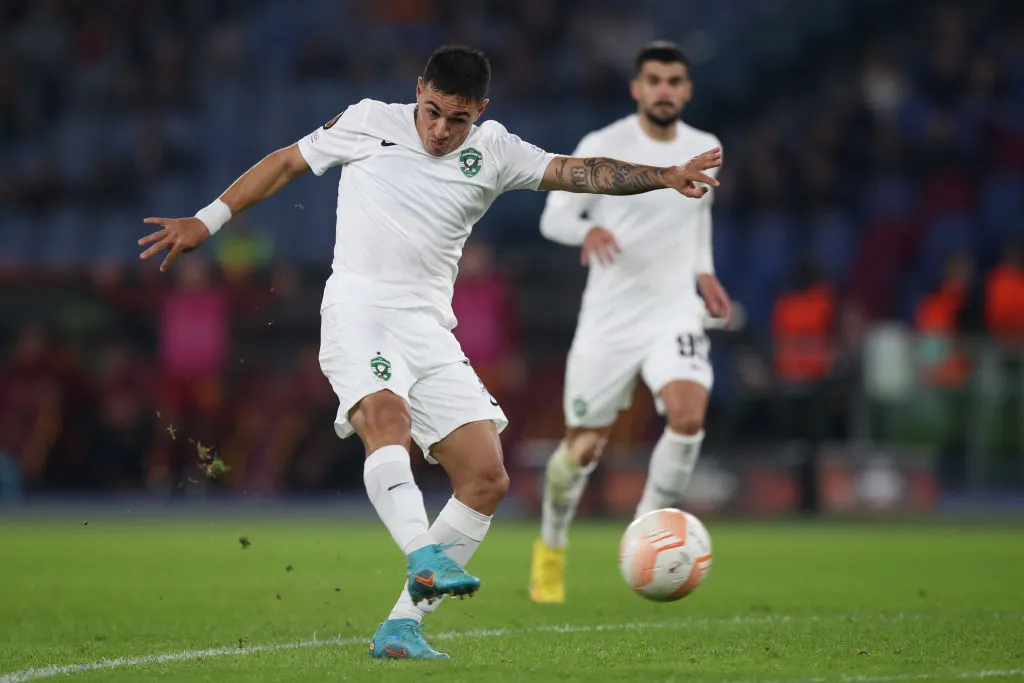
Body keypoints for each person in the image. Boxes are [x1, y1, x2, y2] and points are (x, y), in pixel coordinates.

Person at [138, 44, 721, 660]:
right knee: (387, 422)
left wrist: (662, 177)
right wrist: (208, 220)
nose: (442, 130)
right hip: (359, 310)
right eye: (433, 112)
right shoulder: (368, 121)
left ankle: (401, 627)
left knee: (487, 478)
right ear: (418, 90)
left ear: (481, 112)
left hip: (430, 329)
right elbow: (286, 164)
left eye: (458, 119)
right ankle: (422, 551)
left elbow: (581, 171)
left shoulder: (494, 151)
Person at [529, 42, 732, 604]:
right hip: (611, 318)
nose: (664, 89)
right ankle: (550, 545)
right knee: (582, 450)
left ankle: (647, 527)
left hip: (674, 310)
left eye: (674, 80)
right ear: (636, 89)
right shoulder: (604, 145)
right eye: (654, 80)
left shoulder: (702, 148)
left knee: (688, 416)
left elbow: (700, 217)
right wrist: (586, 231)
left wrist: (705, 273)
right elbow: (554, 217)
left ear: (686, 90)